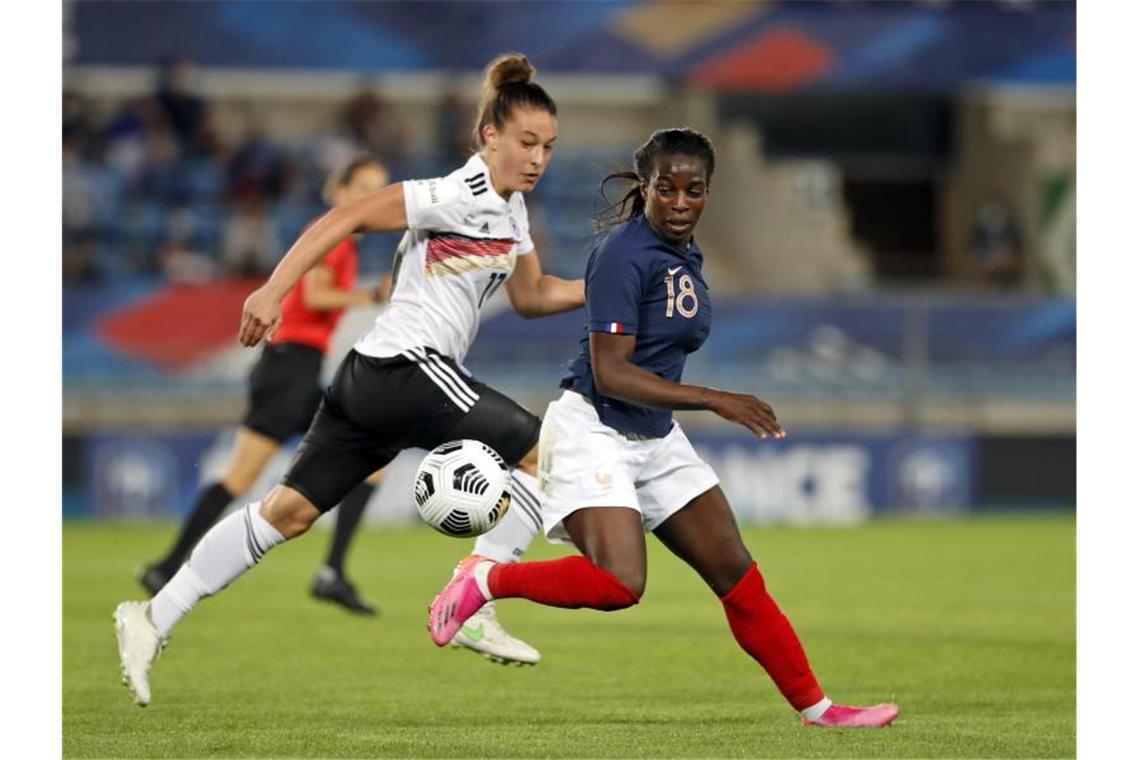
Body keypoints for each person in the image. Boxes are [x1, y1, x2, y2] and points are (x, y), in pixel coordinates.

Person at [114, 53, 584, 706]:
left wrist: (606, 290)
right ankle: (476, 597)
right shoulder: (457, 194)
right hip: (408, 367)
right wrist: (274, 289)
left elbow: (533, 297)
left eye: (549, 148)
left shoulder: (512, 213)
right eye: (527, 143)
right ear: (489, 137)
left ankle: (151, 616)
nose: (538, 158)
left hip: (374, 378)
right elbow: (345, 218)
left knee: (288, 512)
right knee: (544, 452)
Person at [428, 128, 901, 729]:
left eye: (693, 190)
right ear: (645, 188)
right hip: (594, 426)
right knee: (621, 583)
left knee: (738, 576)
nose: (680, 202)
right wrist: (715, 399)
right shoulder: (623, 254)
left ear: (707, 192)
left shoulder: (686, 252)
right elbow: (612, 372)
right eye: (667, 189)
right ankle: (487, 578)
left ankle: (820, 709)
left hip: (653, 435)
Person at [138, 155, 393, 615]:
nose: (369, 200)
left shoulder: (335, 235)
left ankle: (330, 571)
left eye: (378, 190)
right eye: (362, 188)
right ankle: (170, 566)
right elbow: (315, 296)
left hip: (294, 367)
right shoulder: (333, 233)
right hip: (289, 368)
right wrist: (373, 295)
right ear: (338, 190)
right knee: (247, 474)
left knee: (370, 454)